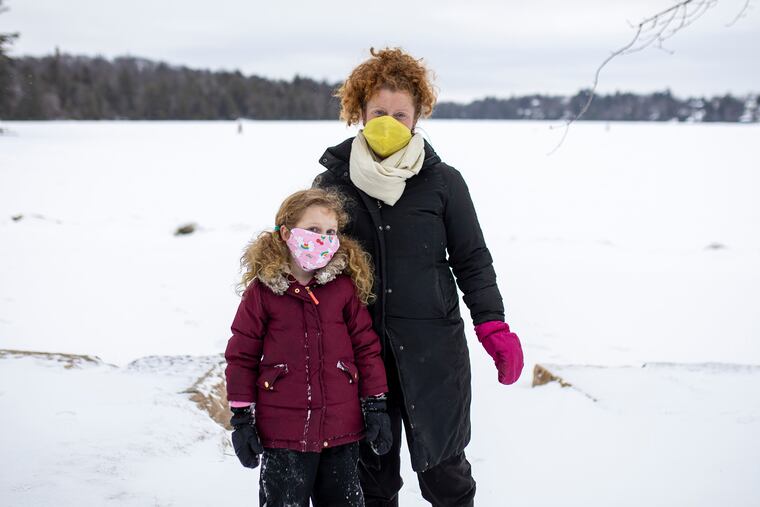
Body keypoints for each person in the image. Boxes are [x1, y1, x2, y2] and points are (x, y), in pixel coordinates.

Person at [313, 48, 525, 507]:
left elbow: (472, 259)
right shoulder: (332, 185)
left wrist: (492, 324)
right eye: (378, 112)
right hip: (359, 357)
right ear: (359, 113)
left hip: (435, 358)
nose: (389, 121)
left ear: (418, 115)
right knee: (372, 484)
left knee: (446, 477)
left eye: (400, 113)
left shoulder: (444, 182)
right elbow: (309, 264)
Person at [224, 188, 394, 507]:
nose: (323, 239)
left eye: (330, 232)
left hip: (342, 429)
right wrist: (241, 418)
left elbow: (366, 348)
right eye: (313, 230)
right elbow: (241, 356)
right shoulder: (262, 293)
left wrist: (376, 405)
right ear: (286, 233)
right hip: (283, 434)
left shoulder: (342, 288)